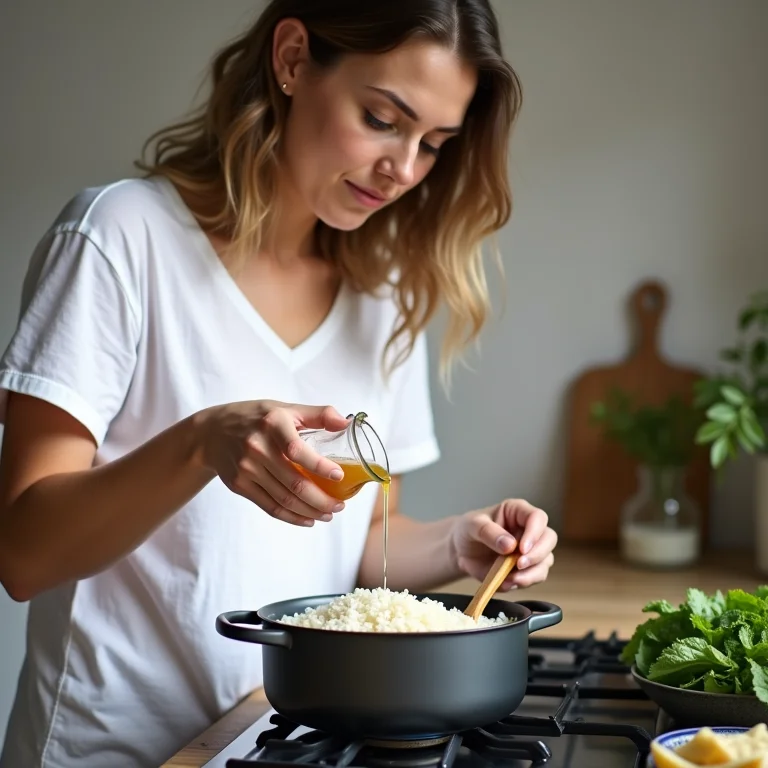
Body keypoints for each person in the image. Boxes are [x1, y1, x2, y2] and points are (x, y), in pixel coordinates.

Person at [0, 1, 558, 766]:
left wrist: (464, 543)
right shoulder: (119, 238)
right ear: (293, 59)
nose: (404, 169)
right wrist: (204, 442)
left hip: (282, 749)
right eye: (382, 118)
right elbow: (23, 552)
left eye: (434, 143)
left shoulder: (383, 294)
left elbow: (360, 544)